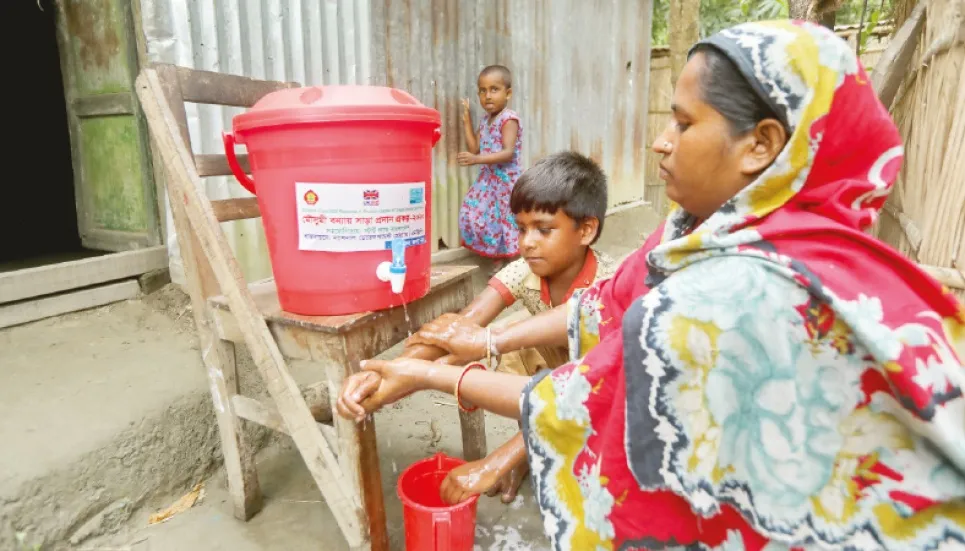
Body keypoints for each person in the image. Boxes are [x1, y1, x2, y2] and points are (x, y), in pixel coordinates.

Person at [338, 20, 965, 550]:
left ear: (761, 145)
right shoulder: (707, 235)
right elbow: (601, 308)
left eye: (684, 123)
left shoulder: (741, 293)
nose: (661, 141)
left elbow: (586, 397)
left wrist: (428, 375)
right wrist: (475, 346)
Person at [400, 150, 617, 503]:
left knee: (589, 479)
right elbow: (467, 325)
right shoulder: (526, 269)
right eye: (521, 228)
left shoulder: (609, 286)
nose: (527, 242)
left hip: (601, 382)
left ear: (586, 230)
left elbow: (590, 388)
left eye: (544, 230)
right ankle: (530, 450)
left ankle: (527, 453)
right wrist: (401, 368)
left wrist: (496, 461)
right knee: (518, 344)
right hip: (559, 371)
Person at [458, 64, 524, 271]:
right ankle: (497, 255)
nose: (487, 96)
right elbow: (475, 147)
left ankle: (514, 264)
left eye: (494, 89)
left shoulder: (508, 119)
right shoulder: (486, 120)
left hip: (506, 181)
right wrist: (467, 122)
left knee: (508, 220)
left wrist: (476, 160)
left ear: (508, 93)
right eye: (482, 91)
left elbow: (508, 152)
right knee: (474, 214)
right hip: (488, 180)